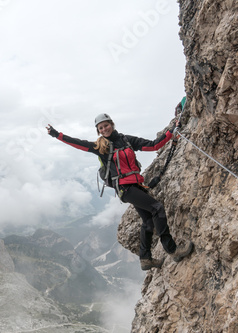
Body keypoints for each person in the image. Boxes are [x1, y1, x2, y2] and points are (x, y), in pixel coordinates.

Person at [46, 113, 193, 270]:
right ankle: (172, 250)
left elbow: (153, 145)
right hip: (125, 188)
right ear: (98, 131)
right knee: (157, 208)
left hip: (135, 185)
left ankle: (145, 259)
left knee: (149, 220)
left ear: (112, 124)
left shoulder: (126, 140)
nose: (104, 129)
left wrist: (171, 132)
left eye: (106, 125)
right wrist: (57, 135)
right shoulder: (100, 147)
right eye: (100, 128)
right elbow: (78, 143)